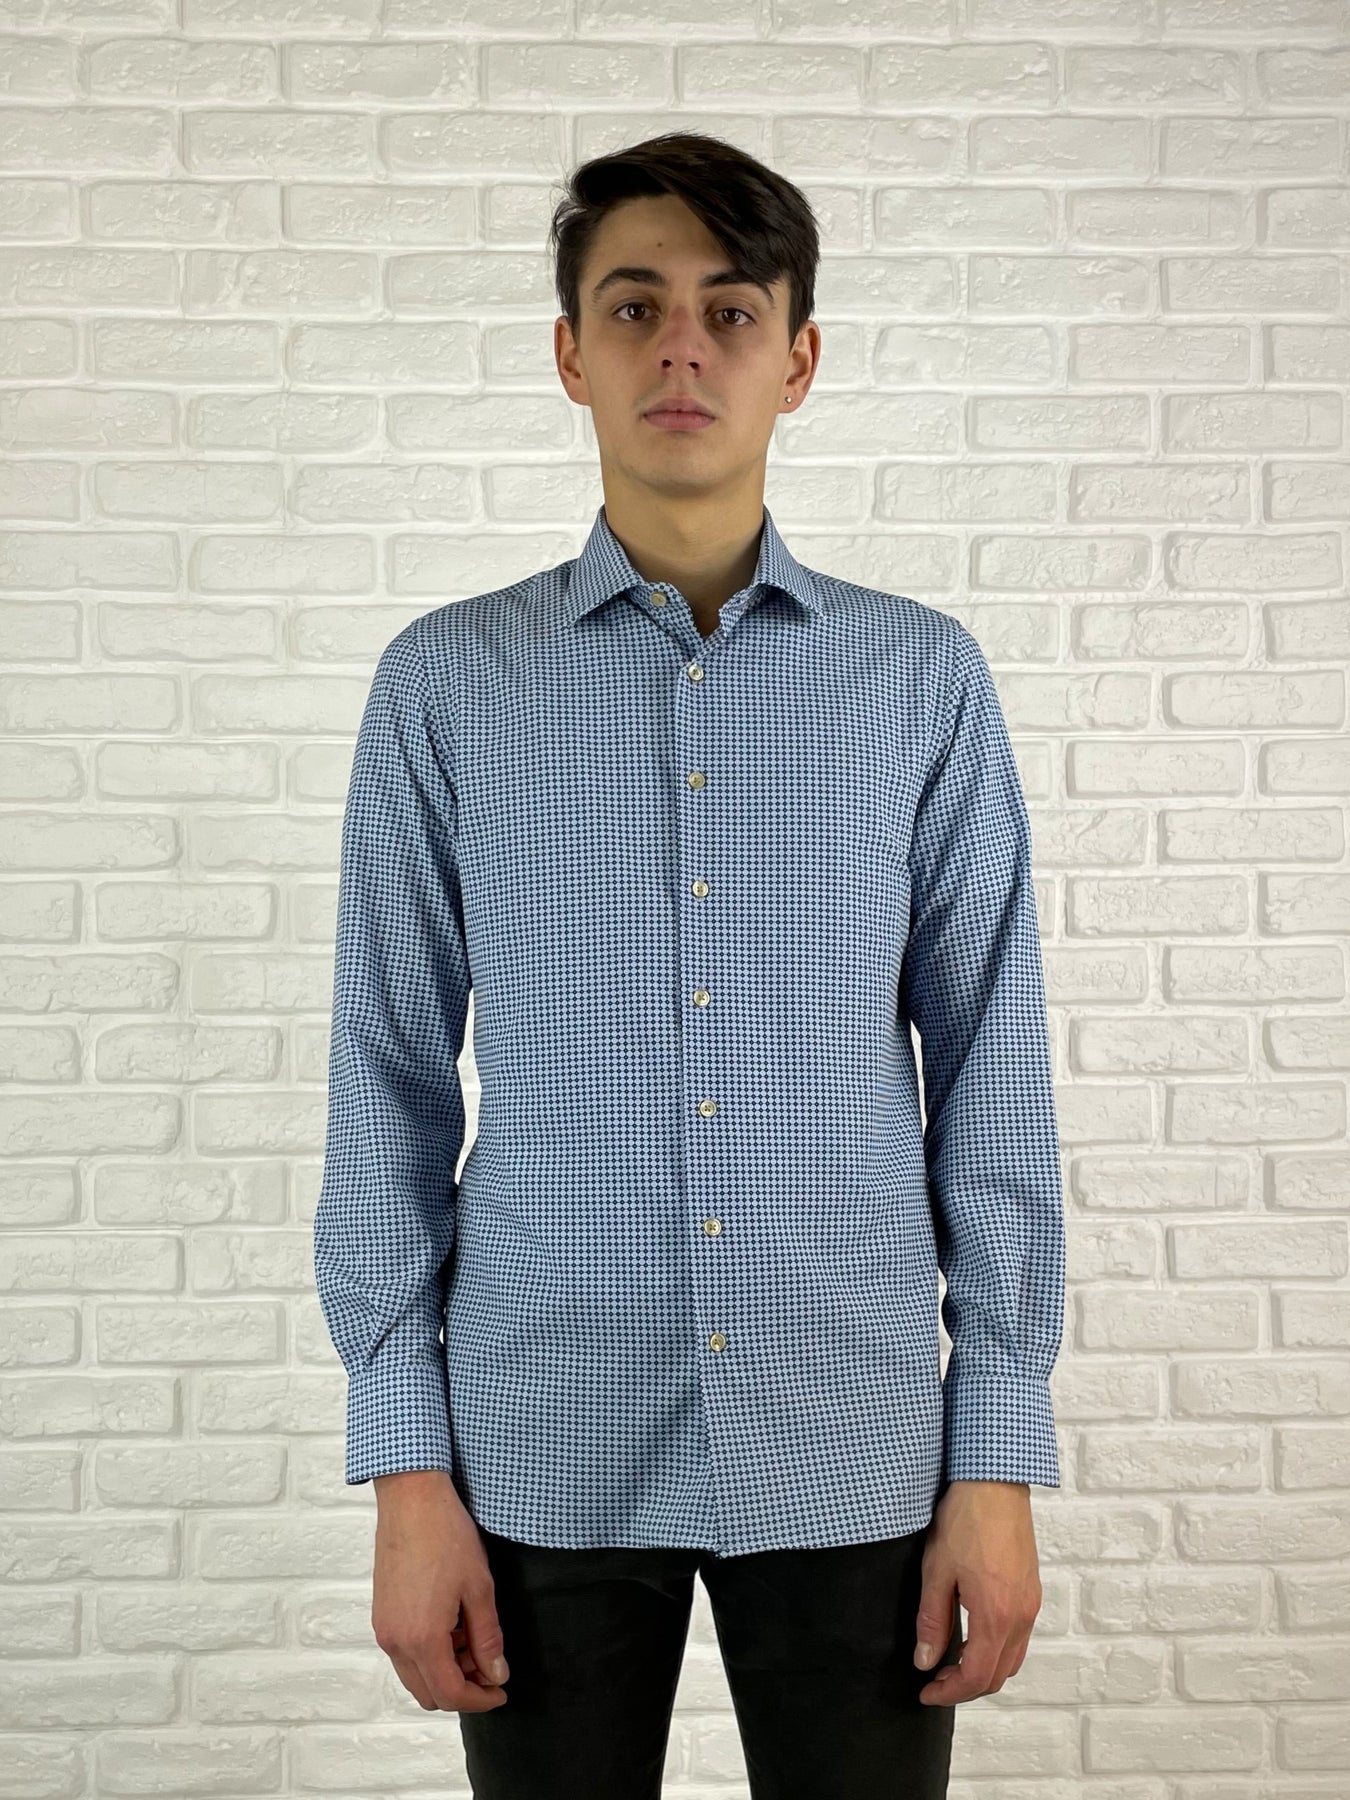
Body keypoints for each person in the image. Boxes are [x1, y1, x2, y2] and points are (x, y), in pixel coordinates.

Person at [313, 130, 1066, 1800]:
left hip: (857, 1428)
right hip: (536, 1436)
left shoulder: (920, 682)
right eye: (633, 306)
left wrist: (998, 1453)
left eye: (729, 313)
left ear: (797, 360)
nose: (679, 350)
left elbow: (990, 1067)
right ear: (567, 351)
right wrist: (404, 1467)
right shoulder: (445, 684)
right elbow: (386, 1074)